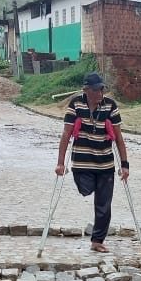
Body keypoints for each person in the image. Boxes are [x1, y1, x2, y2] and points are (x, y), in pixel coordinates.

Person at [55, 72, 129, 253]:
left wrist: (125, 165)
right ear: (86, 90)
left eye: (102, 89)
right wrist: (60, 163)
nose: (100, 92)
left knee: (104, 204)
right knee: (85, 189)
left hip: (105, 164)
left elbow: (119, 137)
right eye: (96, 89)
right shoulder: (76, 104)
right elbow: (66, 134)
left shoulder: (110, 106)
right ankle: (91, 188)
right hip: (82, 162)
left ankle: (97, 240)